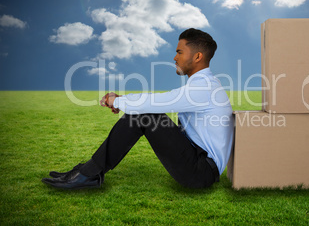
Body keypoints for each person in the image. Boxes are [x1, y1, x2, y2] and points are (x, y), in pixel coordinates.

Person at [42, 28, 234, 189]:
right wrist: (123, 101)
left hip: (201, 173)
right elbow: (159, 101)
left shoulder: (204, 88)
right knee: (144, 114)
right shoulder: (203, 85)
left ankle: (88, 174)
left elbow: (159, 101)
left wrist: (117, 102)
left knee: (144, 115)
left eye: (180, 52)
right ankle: (87, 172)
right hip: (198, 163)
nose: (174, 57)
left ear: (198, 56)